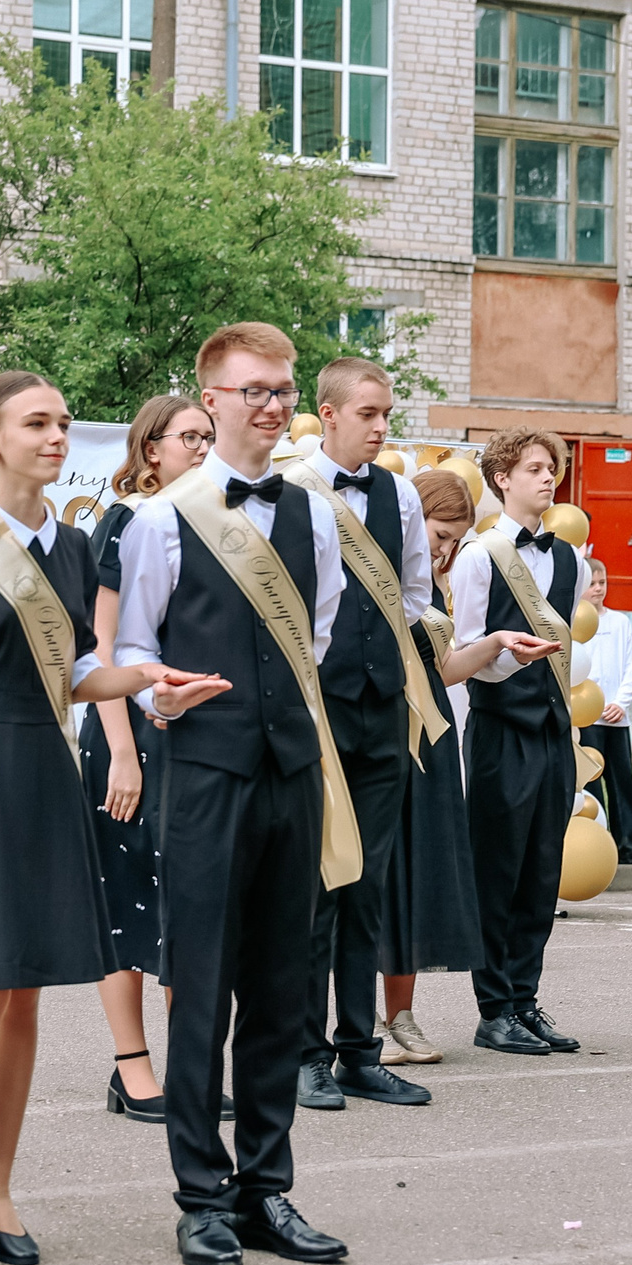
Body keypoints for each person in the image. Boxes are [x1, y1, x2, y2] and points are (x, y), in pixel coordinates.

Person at [0, 372, 216, 1265]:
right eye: (37, 422)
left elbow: (76, 674)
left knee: (25, 991)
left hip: (45, 768)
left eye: (64, 423)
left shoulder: (70, 548)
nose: (58, 435)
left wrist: (148, 679)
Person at [113, 320, 356, 1265]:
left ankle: (268, 1189)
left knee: (282, 988)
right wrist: (160, 694)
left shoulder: (314, 512)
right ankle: (199, 1196)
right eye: (255, 389)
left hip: (290, 774)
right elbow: (131, 645)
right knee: (203, 986)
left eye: (284, 388)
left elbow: (319, 638)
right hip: (205, 777)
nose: (275, 404)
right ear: (210, 400)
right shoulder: (163, 516)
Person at [285, 357, 438, 1109]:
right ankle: (303, 1051)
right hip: (317, 714)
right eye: (369, 413)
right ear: (329, 412)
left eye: (387, 414)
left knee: (367, 886)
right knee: (318, 882)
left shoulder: (401, 494)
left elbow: (411, 598)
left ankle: (357, 1049)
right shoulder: (292, 489)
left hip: (381, 713)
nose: (381, 427)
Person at [84, 393, 212, 1121]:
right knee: (129, 900)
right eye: (186, 436)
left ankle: (187, 1064)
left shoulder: (214, 524)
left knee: (185, 904)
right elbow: (102, 648)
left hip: (192, 729)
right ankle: (132, 1067)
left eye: (206, 435)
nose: (200, 446)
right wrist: (123, 755)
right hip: (127, 734)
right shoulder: (126, 521)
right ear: (149, 448)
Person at [379, 467, 531, 1065]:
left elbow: (441, 670)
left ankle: (402, 1017)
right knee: (378, 879)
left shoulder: (427, 590)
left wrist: (496, 644)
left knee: (418, 879)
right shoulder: (369, 577)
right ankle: (357, 1020)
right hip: (383, 737)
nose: (444, 550)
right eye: (439, 534)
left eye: (454, 539)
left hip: (432, 742)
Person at [451, 428, 588, 1056]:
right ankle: (493, 1006)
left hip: (554, 732)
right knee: (497, 870)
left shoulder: (572, 559)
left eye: (552, 468)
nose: (547, 477)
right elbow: (466, 652)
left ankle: (525, 999)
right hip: (501, 729)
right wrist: (510, 656)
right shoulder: (479, 555)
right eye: (533, 468)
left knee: (541, 872)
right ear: (502, 478)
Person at [575, 559, 632, 858]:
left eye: (602, 583)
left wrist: (620, 702)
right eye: (592, 583)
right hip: (587, 718)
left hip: (616, 719)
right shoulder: (573, 624)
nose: (598, 589)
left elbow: (631, 667)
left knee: (622, 780)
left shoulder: (620, 622)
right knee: (590, 782)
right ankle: (597, 846)